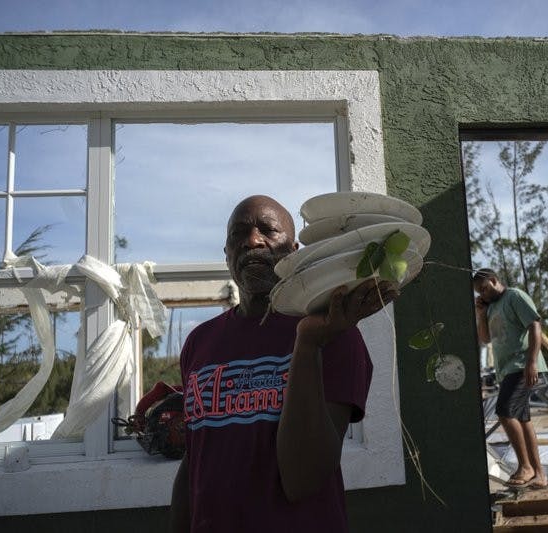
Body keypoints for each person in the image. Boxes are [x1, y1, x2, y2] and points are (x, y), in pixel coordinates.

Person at [170, 195, 398, 532]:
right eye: (239, 233)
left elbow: (303, 479)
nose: (252, 241)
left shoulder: (333, 334)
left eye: (268, 231)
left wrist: (307, 344)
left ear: (292, 252)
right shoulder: (199, 343)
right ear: (227, 254)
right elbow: (195, 460)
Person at [473, 268, 548, 490]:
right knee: (522, 419)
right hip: (507, 370)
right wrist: (480, 315)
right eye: (479, 292)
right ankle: (540, 475)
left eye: (485, 288)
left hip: (522, 365)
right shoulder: (490, 307)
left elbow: (534, 325)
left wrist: (532, 361)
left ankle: (526, 467)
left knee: (504, 411)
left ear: (495, 280)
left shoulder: (514, 296)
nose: (483, 294)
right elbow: (486, 339)